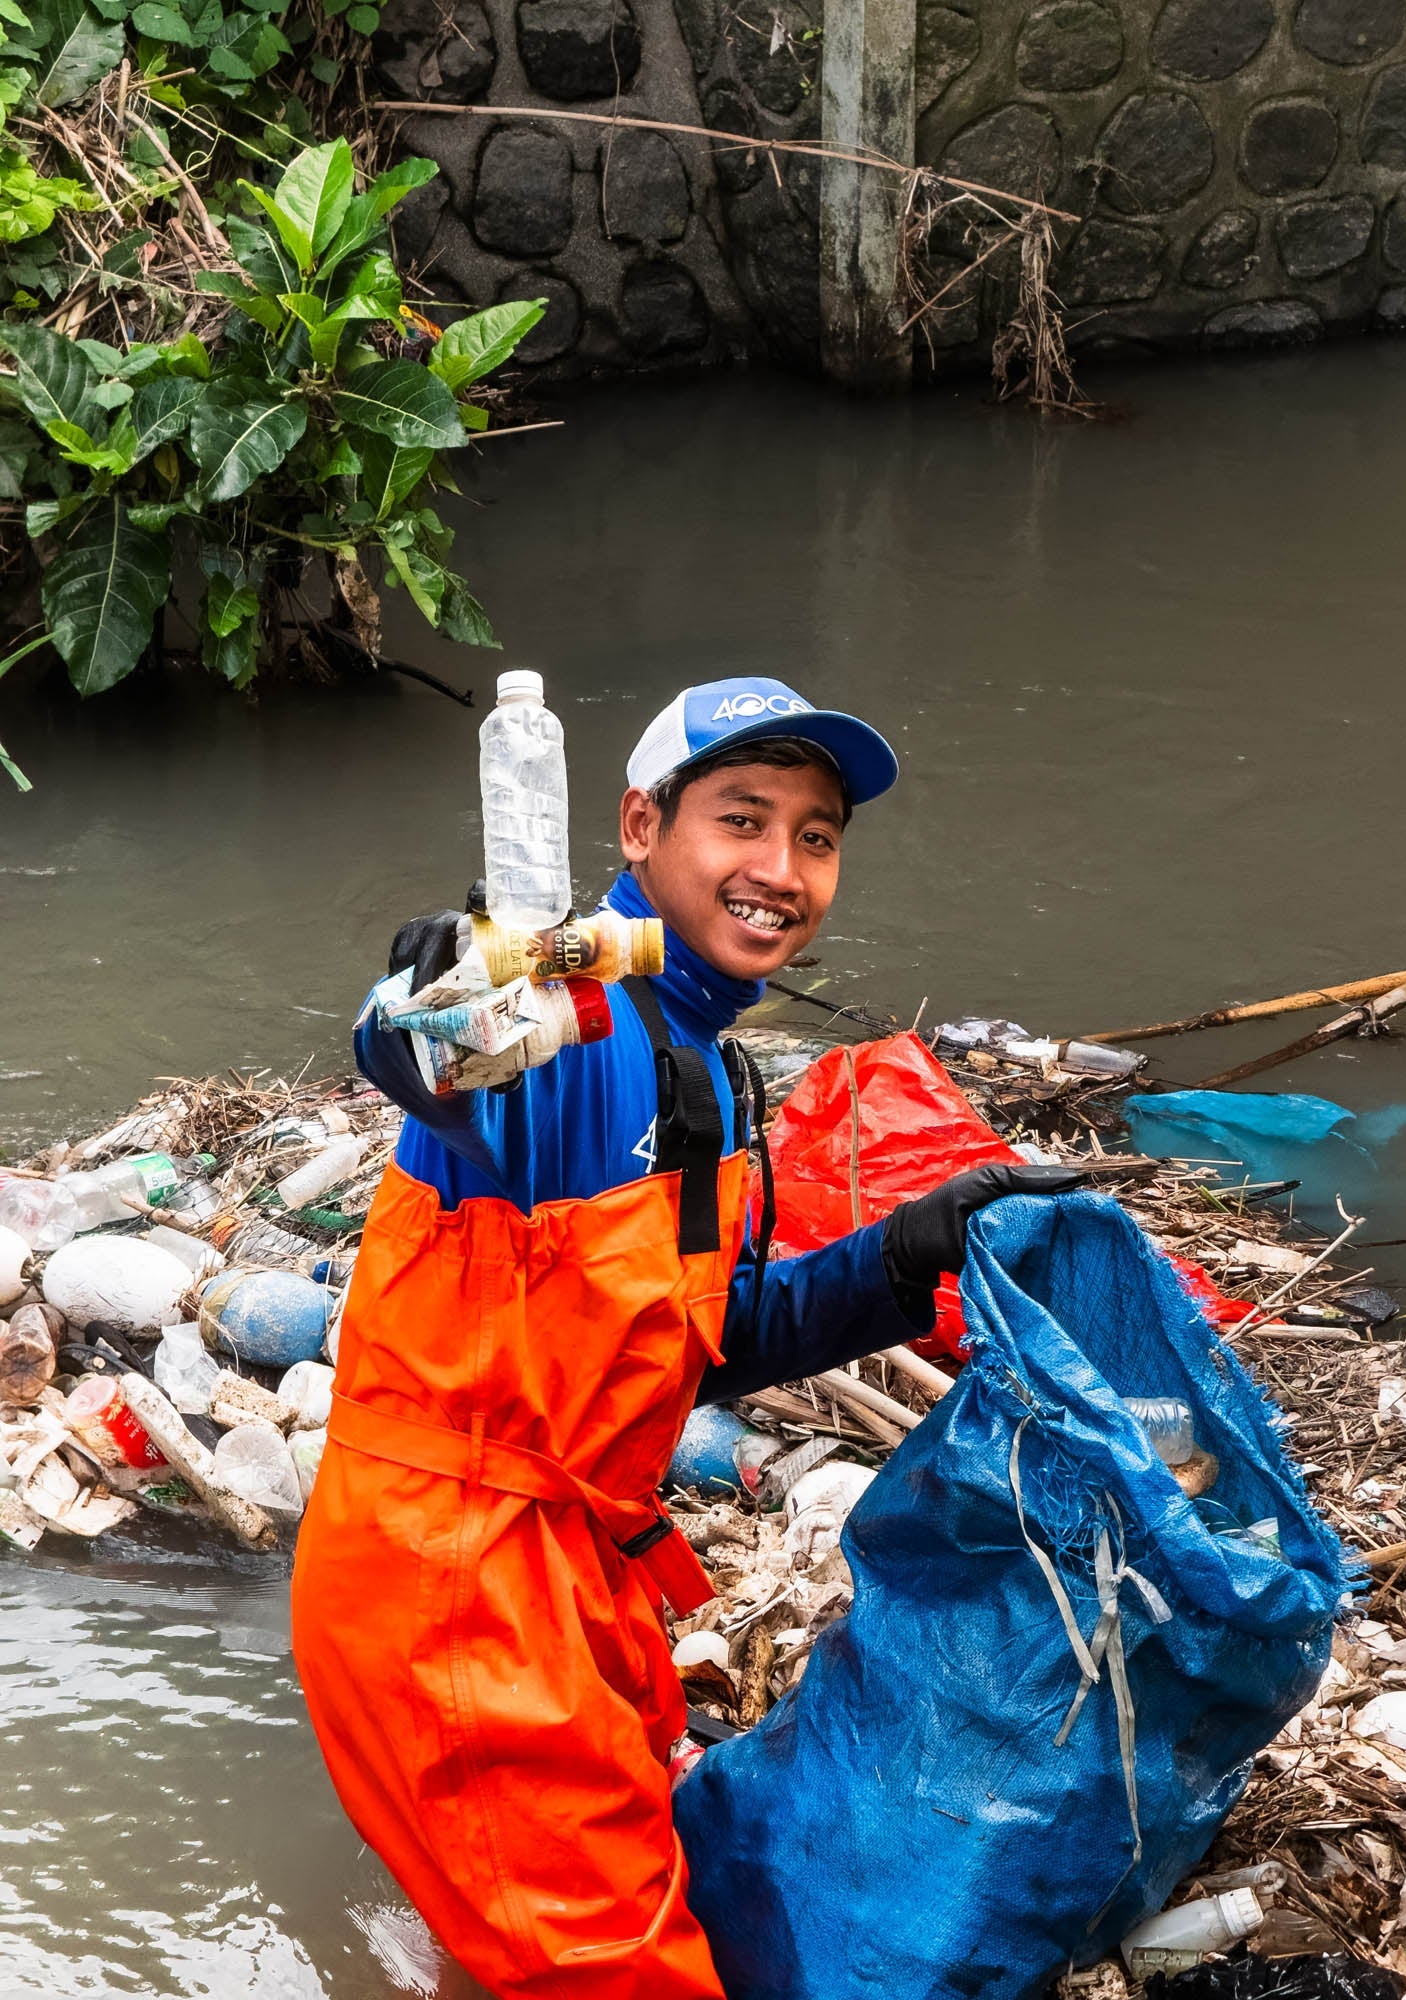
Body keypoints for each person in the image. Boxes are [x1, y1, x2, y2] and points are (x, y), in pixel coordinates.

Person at [292, 677, 1078, 1999]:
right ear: (641, 827)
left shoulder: (707, 1057)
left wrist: (907, 1253)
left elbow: (700, 1342)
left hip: (570, 1565)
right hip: (453, 1590)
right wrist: (433, 992)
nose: (782, 870)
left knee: (611, 1887)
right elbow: (418, 1048)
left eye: (816, 837)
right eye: (743, 821)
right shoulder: (569, 1023)